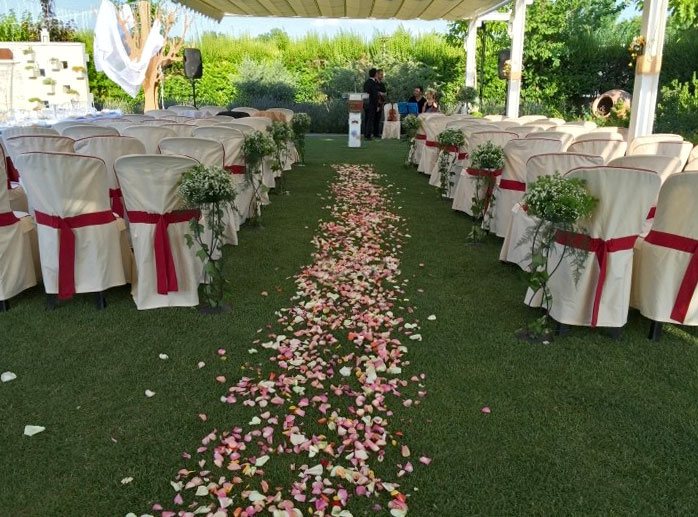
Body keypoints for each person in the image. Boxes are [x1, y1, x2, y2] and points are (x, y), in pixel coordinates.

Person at [362, 68, 380, 140]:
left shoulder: (366, 82)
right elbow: (375, 95)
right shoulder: (373, 83)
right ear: (375, 74)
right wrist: (377, 105)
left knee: (366, 119)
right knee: (370, 119)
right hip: (372, 104)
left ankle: (365, 134)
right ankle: (368, 135)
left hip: (366, 103)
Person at [374, 69, 387, 138]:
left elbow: (385, 93)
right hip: (374, 103)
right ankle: (370, 133)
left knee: (378, 118)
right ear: (377, 74)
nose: (382, 76)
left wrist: (381, 93)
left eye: (382, 74)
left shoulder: (382, 84)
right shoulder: (374, 83)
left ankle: (377, 133)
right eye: (381, 74)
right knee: (373, 118)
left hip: (380, 103)